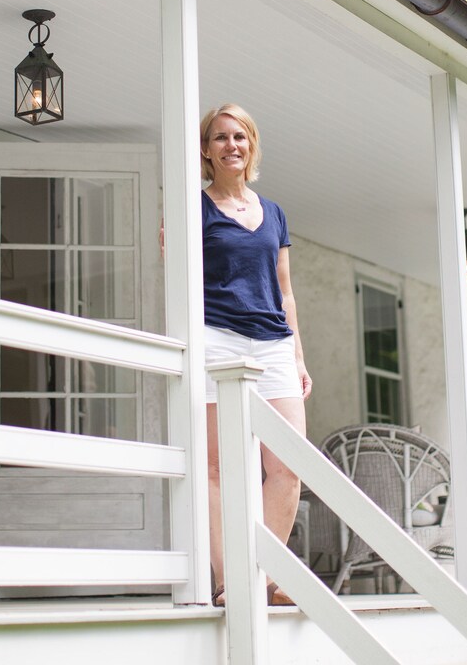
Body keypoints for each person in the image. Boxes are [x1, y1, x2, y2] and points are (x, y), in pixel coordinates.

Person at [199, 103, 312, 608]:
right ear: (207, 149)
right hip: (216, 338)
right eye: (221, 137)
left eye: (240, 136)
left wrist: (298, 354)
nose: (231, 145)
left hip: (273, 344)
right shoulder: (193, 208)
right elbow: (177, 271)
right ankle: (230, 583)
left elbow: (284, 291)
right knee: (218, 467)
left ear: (251, 145)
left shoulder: (275, 212)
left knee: (288, 466)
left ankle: (263, 574)